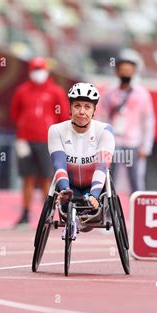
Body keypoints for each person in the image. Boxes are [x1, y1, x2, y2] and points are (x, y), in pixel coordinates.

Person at [47, 82, 115, 237]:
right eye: (77, 106)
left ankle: (84, 207)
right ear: (70, 108)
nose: (82, 112)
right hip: (69, 186)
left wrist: (95, 194)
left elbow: (102, 166)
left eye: (87, 107)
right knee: (67, 195)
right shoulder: (56, 130)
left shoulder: (105, 131)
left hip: (95, 188)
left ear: (94, 111)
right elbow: (59, 164)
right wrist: (64, 189)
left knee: (98, 184)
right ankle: (67, 202)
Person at [11, 57, 69, 228]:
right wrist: (23, 128)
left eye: (40, 69)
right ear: (30, 71)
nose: (38, 73)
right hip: (25, 139)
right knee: (27, 178)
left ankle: (49, 214)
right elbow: (15, 113)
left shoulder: (55, 91)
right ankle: (25, 213)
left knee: (47, 178)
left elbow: (63, 115)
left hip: (47, 140)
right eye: (35, 69)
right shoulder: (22, 91)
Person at [96, 49, 155, 193]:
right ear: (117, 71)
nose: (125, 73)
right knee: (109, 179)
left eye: (129, 70)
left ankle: (137, 210)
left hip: (133, 143)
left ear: (134, 72)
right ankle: (109, 212)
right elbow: (101, 117)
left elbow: (148, 121)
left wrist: (145, 146)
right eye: (123, 70)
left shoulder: (142, 94)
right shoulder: (109, 92)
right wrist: (100, 141)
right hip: (113, 142)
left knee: (135, 180)